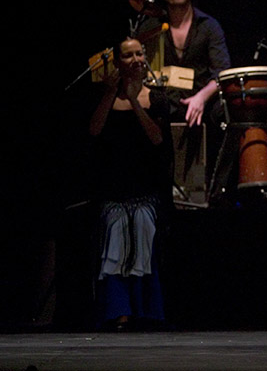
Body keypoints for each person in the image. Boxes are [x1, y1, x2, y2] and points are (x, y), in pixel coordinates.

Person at [88, 37, 173, 330]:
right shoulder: (104, 98)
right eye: (128, 55)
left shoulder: (157, 98)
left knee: (142, 226)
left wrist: (135, 100)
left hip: (145, 192)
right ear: (117, 62)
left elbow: (157, 139)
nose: (136, 59)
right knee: (117, 231)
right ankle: (119, 311)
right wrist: (112, 93)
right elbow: (94, 131)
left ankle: (145, 310)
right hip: (113, 192)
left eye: (140, 53)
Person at [140, 0, 231, 191]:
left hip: (201, 98)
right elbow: (144, 72)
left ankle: (217, 189)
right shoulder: (151, 26)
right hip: (165, 98)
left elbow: (221, 71)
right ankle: (152, 186)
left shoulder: (208, 26)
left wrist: (201, 98)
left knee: (224, 111)